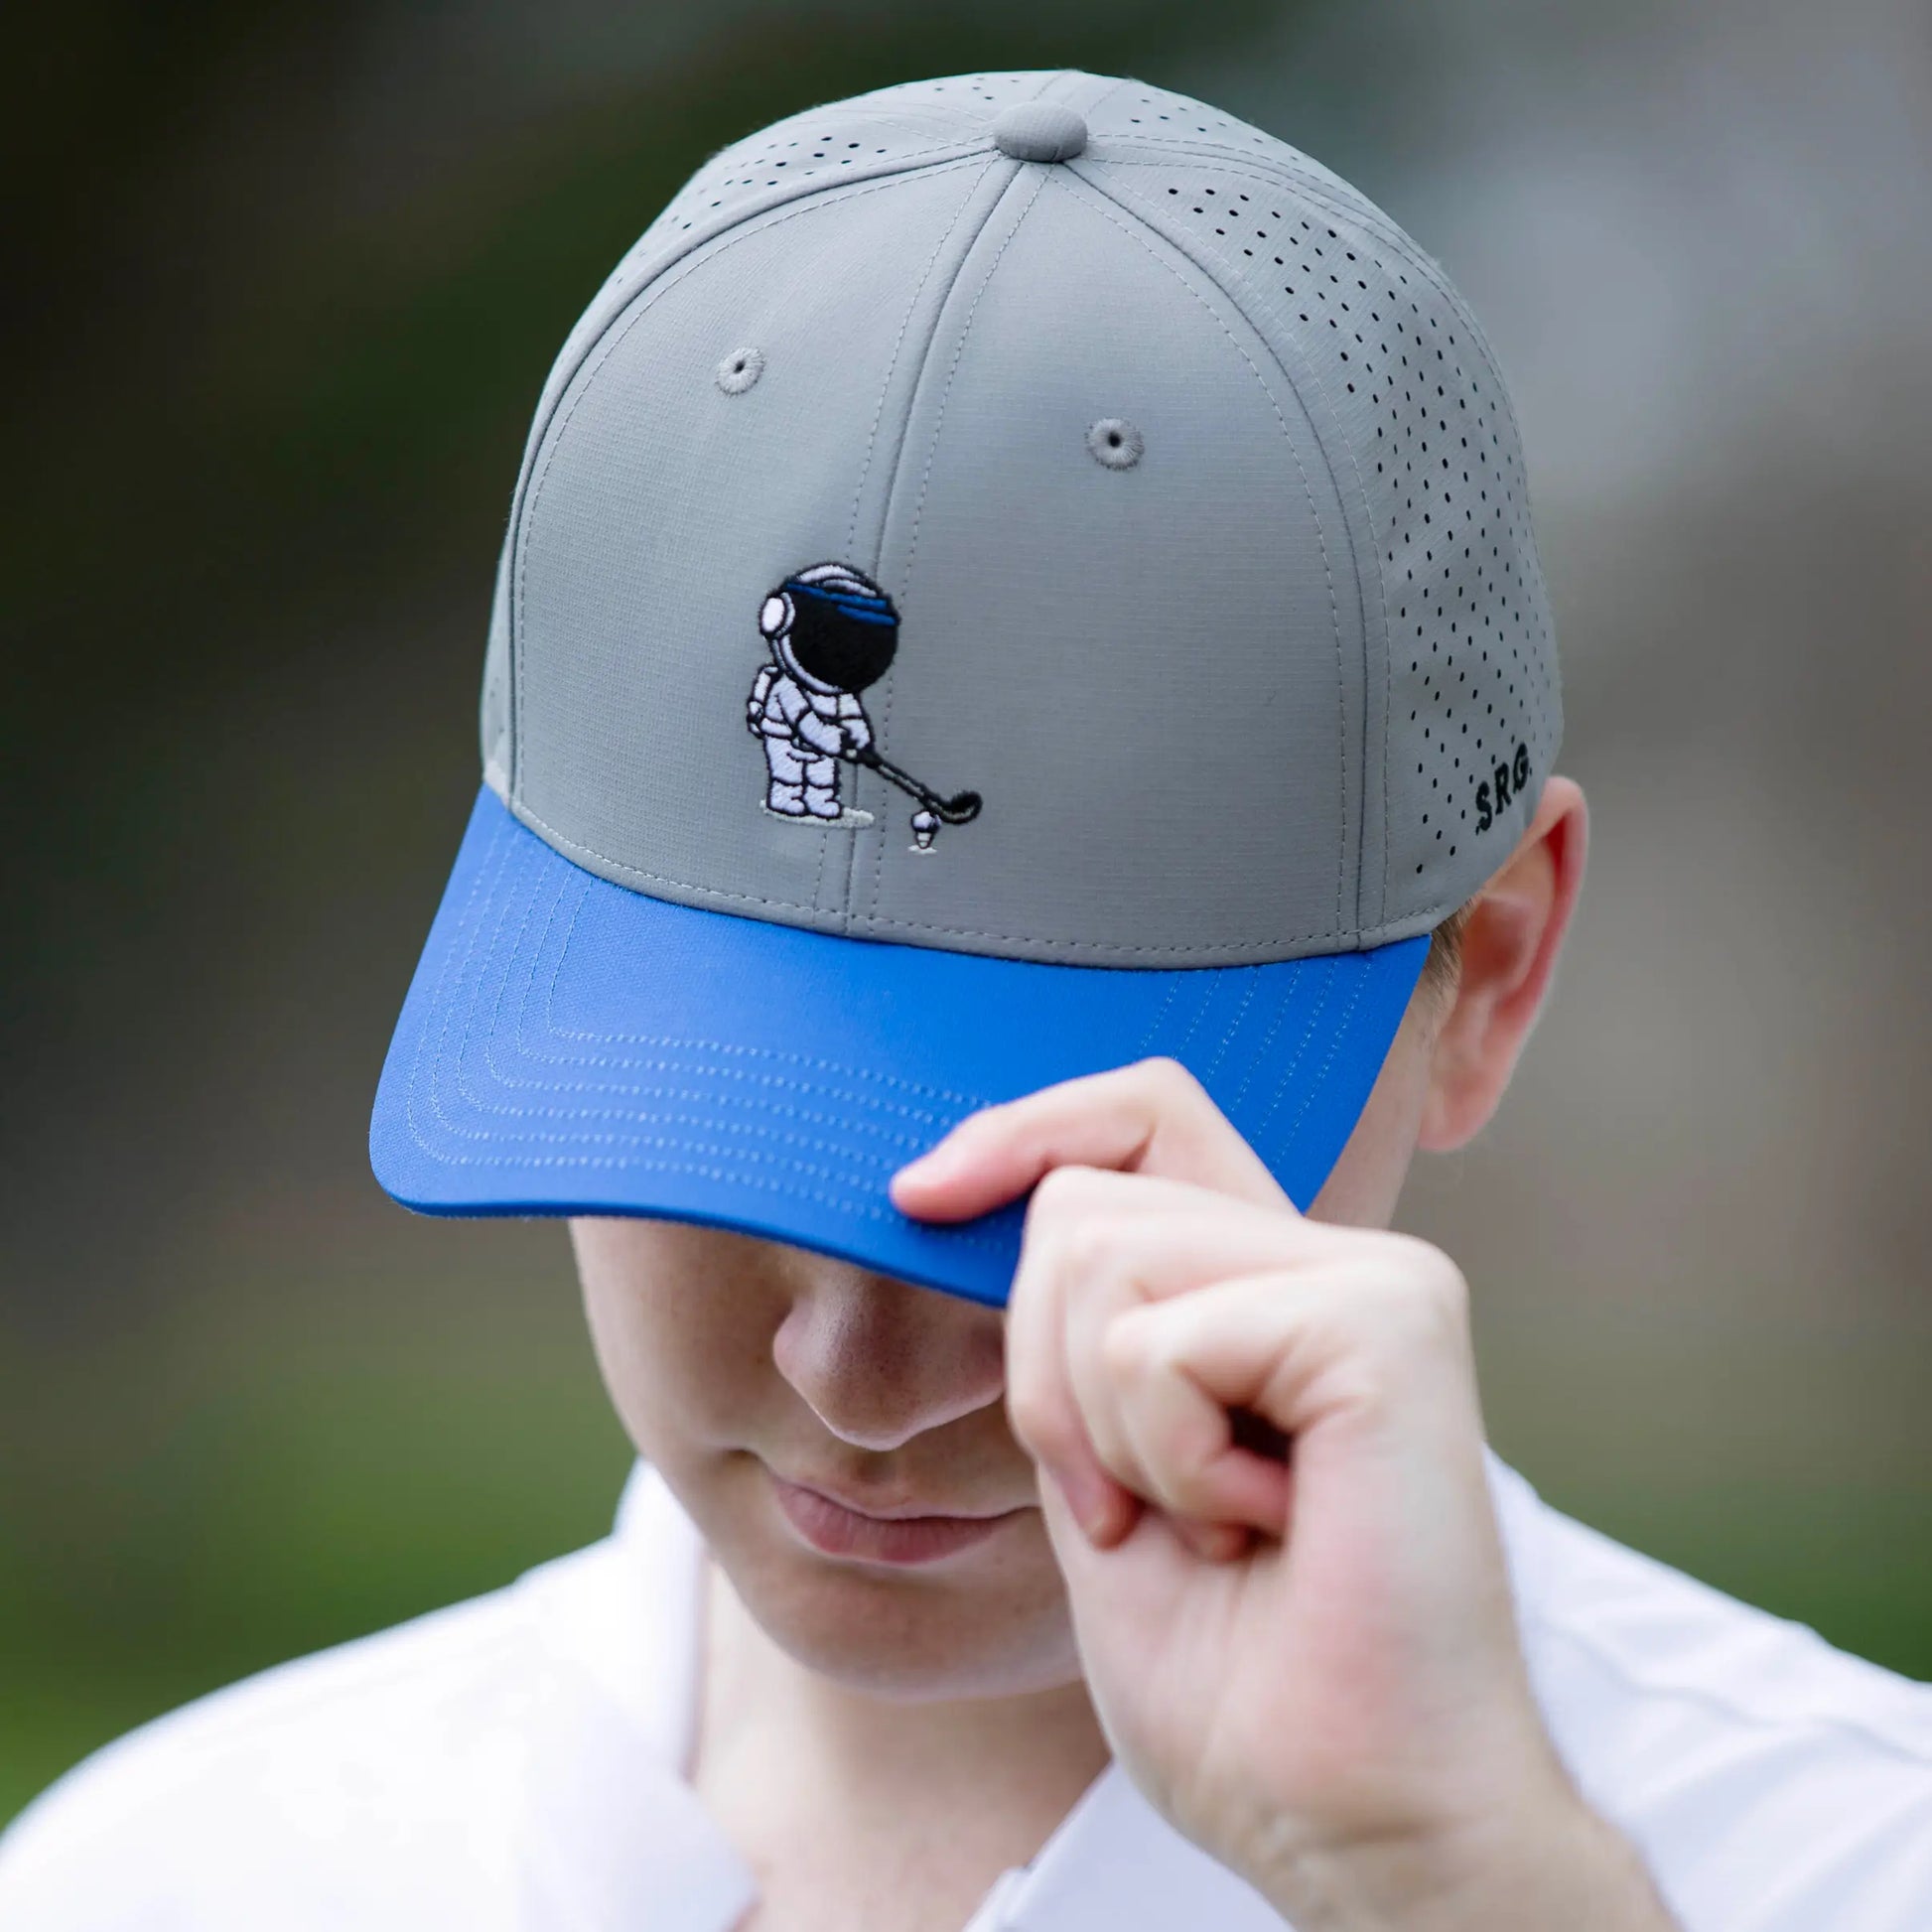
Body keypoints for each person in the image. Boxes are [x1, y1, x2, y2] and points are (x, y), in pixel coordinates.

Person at [3, 69, 1927, 1932]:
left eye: (1043, 1173)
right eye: (712, 1117)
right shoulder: (165, 1882)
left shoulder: (1840, 1865)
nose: (857, 1374)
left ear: (1485, 975)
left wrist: (1443, 1890)